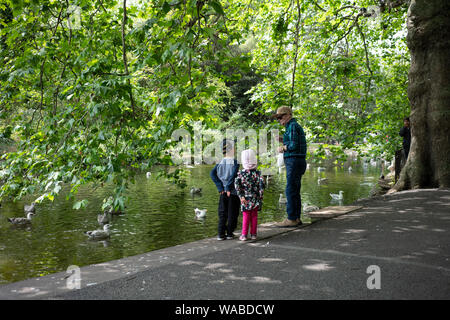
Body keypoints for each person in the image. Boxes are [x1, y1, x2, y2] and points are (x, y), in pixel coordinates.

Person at [273, 106, 307, 227]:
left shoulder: (292, 126)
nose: (279, 120)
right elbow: (294, 141)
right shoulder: (293, 126)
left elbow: (294, 146)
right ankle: (296, 218)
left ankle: (291, 218)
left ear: (288, 115)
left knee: (290, 190)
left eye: (280, 117)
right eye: (277, 118)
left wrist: (282, 148)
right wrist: (283, 140)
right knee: (295, 190)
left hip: (294, 161)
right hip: (298, 161)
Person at [210, 139, 240, 240]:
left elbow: (212, 174)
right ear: (231, 150)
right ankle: (230, 233)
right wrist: (227, 187)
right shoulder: (235, 162)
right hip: (233, 192)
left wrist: (220, 187)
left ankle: (220, 234)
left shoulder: (219, 162)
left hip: (223, 192)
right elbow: (233, 176)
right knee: (233, 212)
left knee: (223, 212)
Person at [234, 149, 265, 241]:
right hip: (255, 197)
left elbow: (237, 185)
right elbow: (262, 186)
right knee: (254, 216)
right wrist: (260, 196)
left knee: (246, 216)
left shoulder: (241, 174)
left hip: (245, 198)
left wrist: (241, 196)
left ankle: (244, 235)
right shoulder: (258, 174)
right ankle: (253, 234)